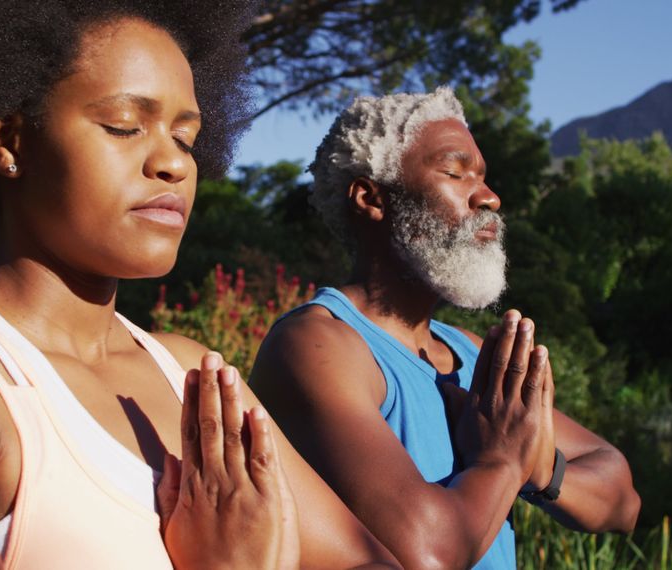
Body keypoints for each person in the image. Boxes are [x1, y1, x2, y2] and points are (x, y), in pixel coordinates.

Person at [0, 2, 397, 568]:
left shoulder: (193, 377)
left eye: (185, 138)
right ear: (9, 141)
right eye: (124, 126)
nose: (174, 164)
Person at [250, 88, 642, 569]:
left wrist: (540, 467)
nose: (490, 198)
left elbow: (623, 498)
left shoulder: (471, 352)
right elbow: (429, 555)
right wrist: (502, 462)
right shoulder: (317, 346)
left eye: (483, 178)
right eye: (455, 173)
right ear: (372, 198)